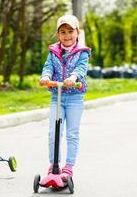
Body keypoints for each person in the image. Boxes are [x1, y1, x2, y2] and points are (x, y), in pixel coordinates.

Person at [39, 14, 91, 180]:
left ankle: (68, 167)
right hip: (57, 97)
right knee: (53, 132)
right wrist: (46, 77)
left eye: (70, 31)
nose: (67, 35)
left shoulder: (82, 52)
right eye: (63, 32)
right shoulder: (53, 51)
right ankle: (53, 165)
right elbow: (48, 67)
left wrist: (73, 78)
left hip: (75, 97)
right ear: (58, 34)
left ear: (77, 32)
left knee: (72, 134)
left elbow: (81, 68)